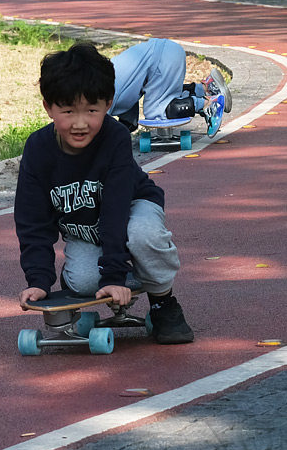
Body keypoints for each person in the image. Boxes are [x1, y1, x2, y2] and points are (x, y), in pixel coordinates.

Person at [15, 43, 194, 344]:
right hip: (87, 229)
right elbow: (32, 222)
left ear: (108, 104)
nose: (80, 123)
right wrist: (39, 281)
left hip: (132, 208)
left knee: (143, 235)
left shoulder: (115, 137)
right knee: (84, 283)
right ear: (48, 107)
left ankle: (163, 301)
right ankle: (137, 270)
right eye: (68, 111)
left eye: (91, 110)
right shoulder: (37, 149)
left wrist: (113, 276)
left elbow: (116, 208)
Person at [110, 38, 231, 135]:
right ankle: (206, 88)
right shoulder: (105, 77)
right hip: (166, 52)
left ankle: (209, 104)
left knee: (157, 114)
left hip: (160, 60)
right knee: (165, 96)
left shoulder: (101, 97)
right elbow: (127, 106)